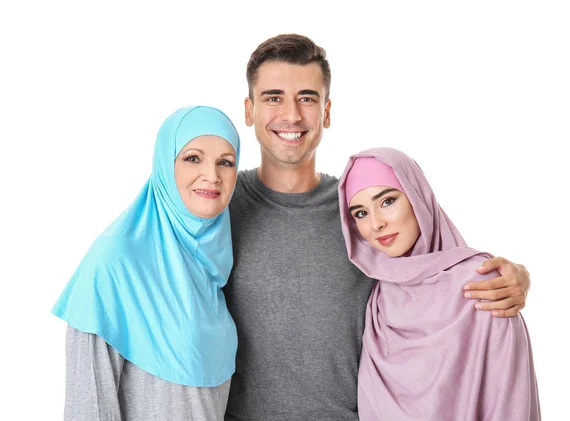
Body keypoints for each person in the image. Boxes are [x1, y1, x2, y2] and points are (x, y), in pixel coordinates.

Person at [223, 33, 532, 420]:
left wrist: (512, 275)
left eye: (307, 97)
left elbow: (430, 277)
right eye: (273, 97)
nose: (292, 114)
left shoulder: (358, 215)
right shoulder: (219, 210)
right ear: (249, 110)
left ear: (327, 112)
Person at [52, 106, 241, 421]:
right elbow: (87, 411)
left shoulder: (213, 266)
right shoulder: (114, 262)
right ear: (165, 164)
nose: (212, 175)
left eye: (226, 162)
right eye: (193, 158)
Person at [339, 148, 541, 420]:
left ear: (417, 196)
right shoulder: (377, 300)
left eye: (387, 201)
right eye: (361, 213)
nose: (376, 224)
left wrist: (523, 275)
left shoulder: (482, 285)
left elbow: (509, 402)